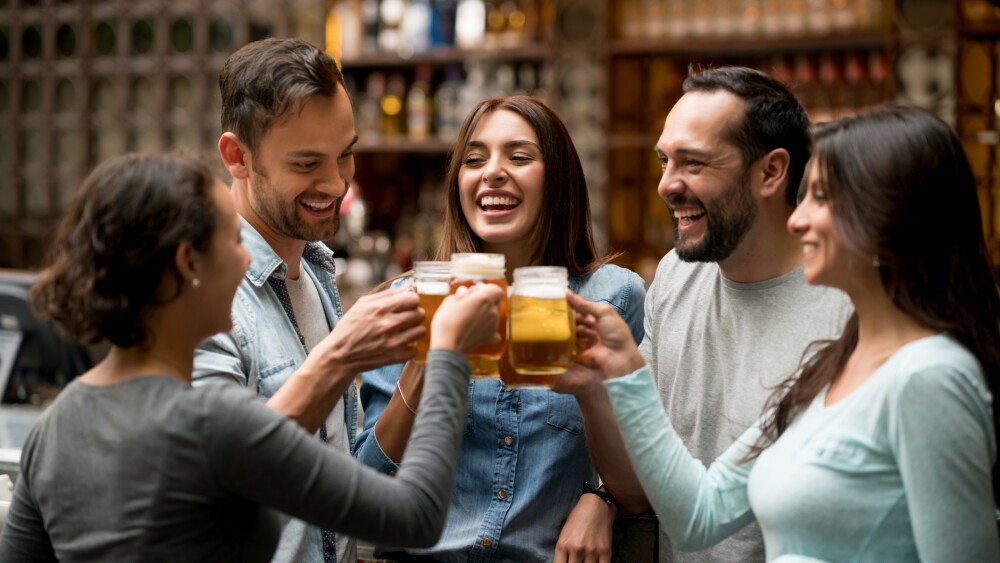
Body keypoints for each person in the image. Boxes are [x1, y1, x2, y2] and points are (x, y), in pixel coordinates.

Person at [0, 153, 507, 562]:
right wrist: (448, 352)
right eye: (232, 241)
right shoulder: (214, 421)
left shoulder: (57, 425)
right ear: (188, 263)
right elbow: (414, 515)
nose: (247, 258)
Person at [568, 104, 1000, 561]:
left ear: (890, 220)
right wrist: (626, 372)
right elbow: (700, 514)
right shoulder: (832, 361)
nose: (796, 219)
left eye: (821, 197)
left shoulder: (930, 379)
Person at [560, 66, 851, 563]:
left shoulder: (848, 309)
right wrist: (593, 399)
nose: (665, 186)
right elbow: (642, 488)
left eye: (692, 163)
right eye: (664, 161)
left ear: (771, 172)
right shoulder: (676, 276)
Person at [353, 95, 646, 562]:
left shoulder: (609, 298)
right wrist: (428, 360)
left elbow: (640, 481)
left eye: (519, 156)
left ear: (558, 182)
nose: (491, 171)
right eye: (474, 160)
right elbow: (363, 497)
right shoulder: (409, 299)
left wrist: (601, 497)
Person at [193, 37, 405, 563]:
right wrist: (344, 355)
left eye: (346, 154)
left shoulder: (314, 269)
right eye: (308, 164)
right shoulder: (199, 294)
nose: (336, 184)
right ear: (236, 156)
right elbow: (214, 480)